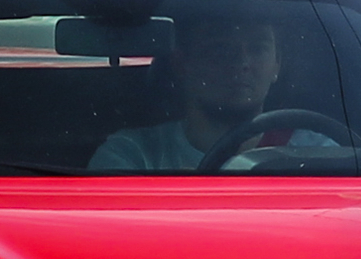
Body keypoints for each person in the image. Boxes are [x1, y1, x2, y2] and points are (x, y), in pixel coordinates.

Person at [91, 12, 334, 172]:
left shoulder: (319, 155)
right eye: (220, 50)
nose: (242, 62)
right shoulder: (133, 156)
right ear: (181, 64)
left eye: (258, 49)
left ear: (277, 65)